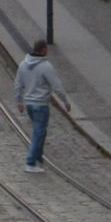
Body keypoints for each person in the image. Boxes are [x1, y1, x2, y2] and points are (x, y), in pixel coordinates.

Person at [14, 39, 71, 170]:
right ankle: (30, 162)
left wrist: (19, 101)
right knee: (38, 133)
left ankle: (39, 157)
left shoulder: (23, 64)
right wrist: (65, 101)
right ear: (43, 49)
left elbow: (17, 84)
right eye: (47, 49)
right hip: (41, 105)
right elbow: (56, 85)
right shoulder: (46, 66)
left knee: (41, 132)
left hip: (29, 104)